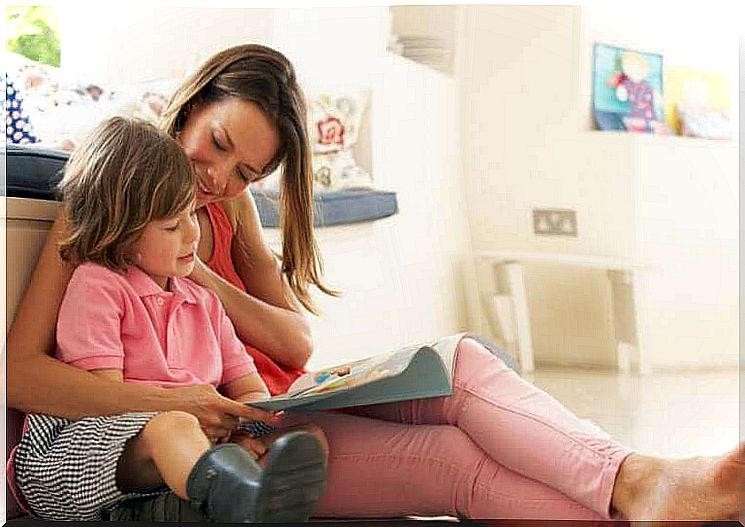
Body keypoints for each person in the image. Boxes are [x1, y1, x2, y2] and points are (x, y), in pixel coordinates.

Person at [7, 43, 744, 522]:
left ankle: (642, 479)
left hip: (267, 407)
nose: (217, 179)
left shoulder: (220, 211)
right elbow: (22, 373)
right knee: (455, 462)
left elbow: (293, 337)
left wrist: (199, 273)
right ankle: (644, 494)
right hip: (215, 428)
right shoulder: (113, 200)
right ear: (191, 103)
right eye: (218, 145)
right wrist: (197, 403)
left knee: (458, 362)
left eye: (246, 173)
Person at [9, 117, 328, 522]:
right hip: (80, 451)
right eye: (173, 226)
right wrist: (200, 428)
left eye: (191, 217)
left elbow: (249, 390)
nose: (193, 235)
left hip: (178, 448)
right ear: (121, 233)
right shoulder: (98, 287)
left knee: (308, 436)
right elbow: (109, 403)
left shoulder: (205, 303)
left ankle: (206, 500)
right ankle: (236, 499)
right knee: (172, 427)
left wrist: (246, 427)